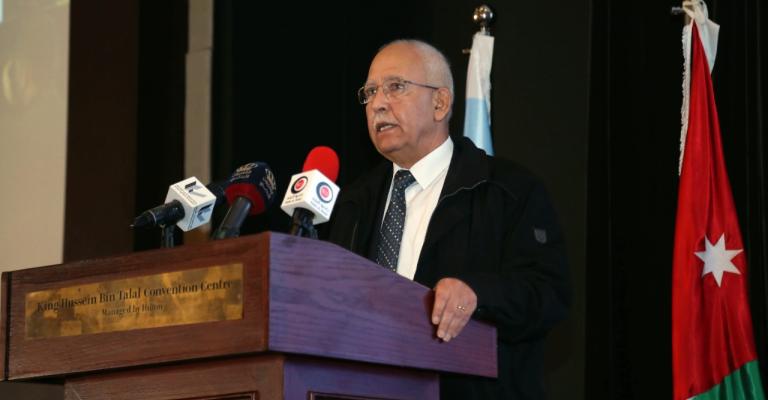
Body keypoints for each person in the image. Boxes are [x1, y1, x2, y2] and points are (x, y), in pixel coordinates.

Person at [328, 39, 571, 400]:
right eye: (371, 92)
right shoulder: (354, 202)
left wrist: (478, 293)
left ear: (440, 103)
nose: (378, 103)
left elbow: (548, 294)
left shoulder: (508, 191)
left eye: (395, 87)